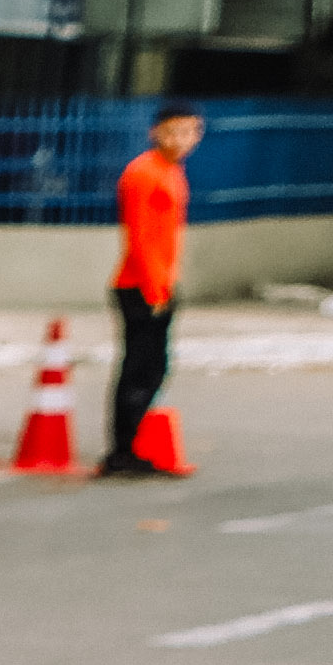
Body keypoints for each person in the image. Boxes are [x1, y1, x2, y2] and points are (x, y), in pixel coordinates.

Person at [99, 100, 198, 477]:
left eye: (188, 132)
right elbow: (140, 239)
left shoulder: (173, 173)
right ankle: (121, 450)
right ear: (155, 132)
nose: (181, 139)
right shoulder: (144, 173)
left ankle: (132, 446)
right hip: (141, 286)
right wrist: (156, 290)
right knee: (140, 369)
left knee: (155, 368)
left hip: (160, 285)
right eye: (173, 131)